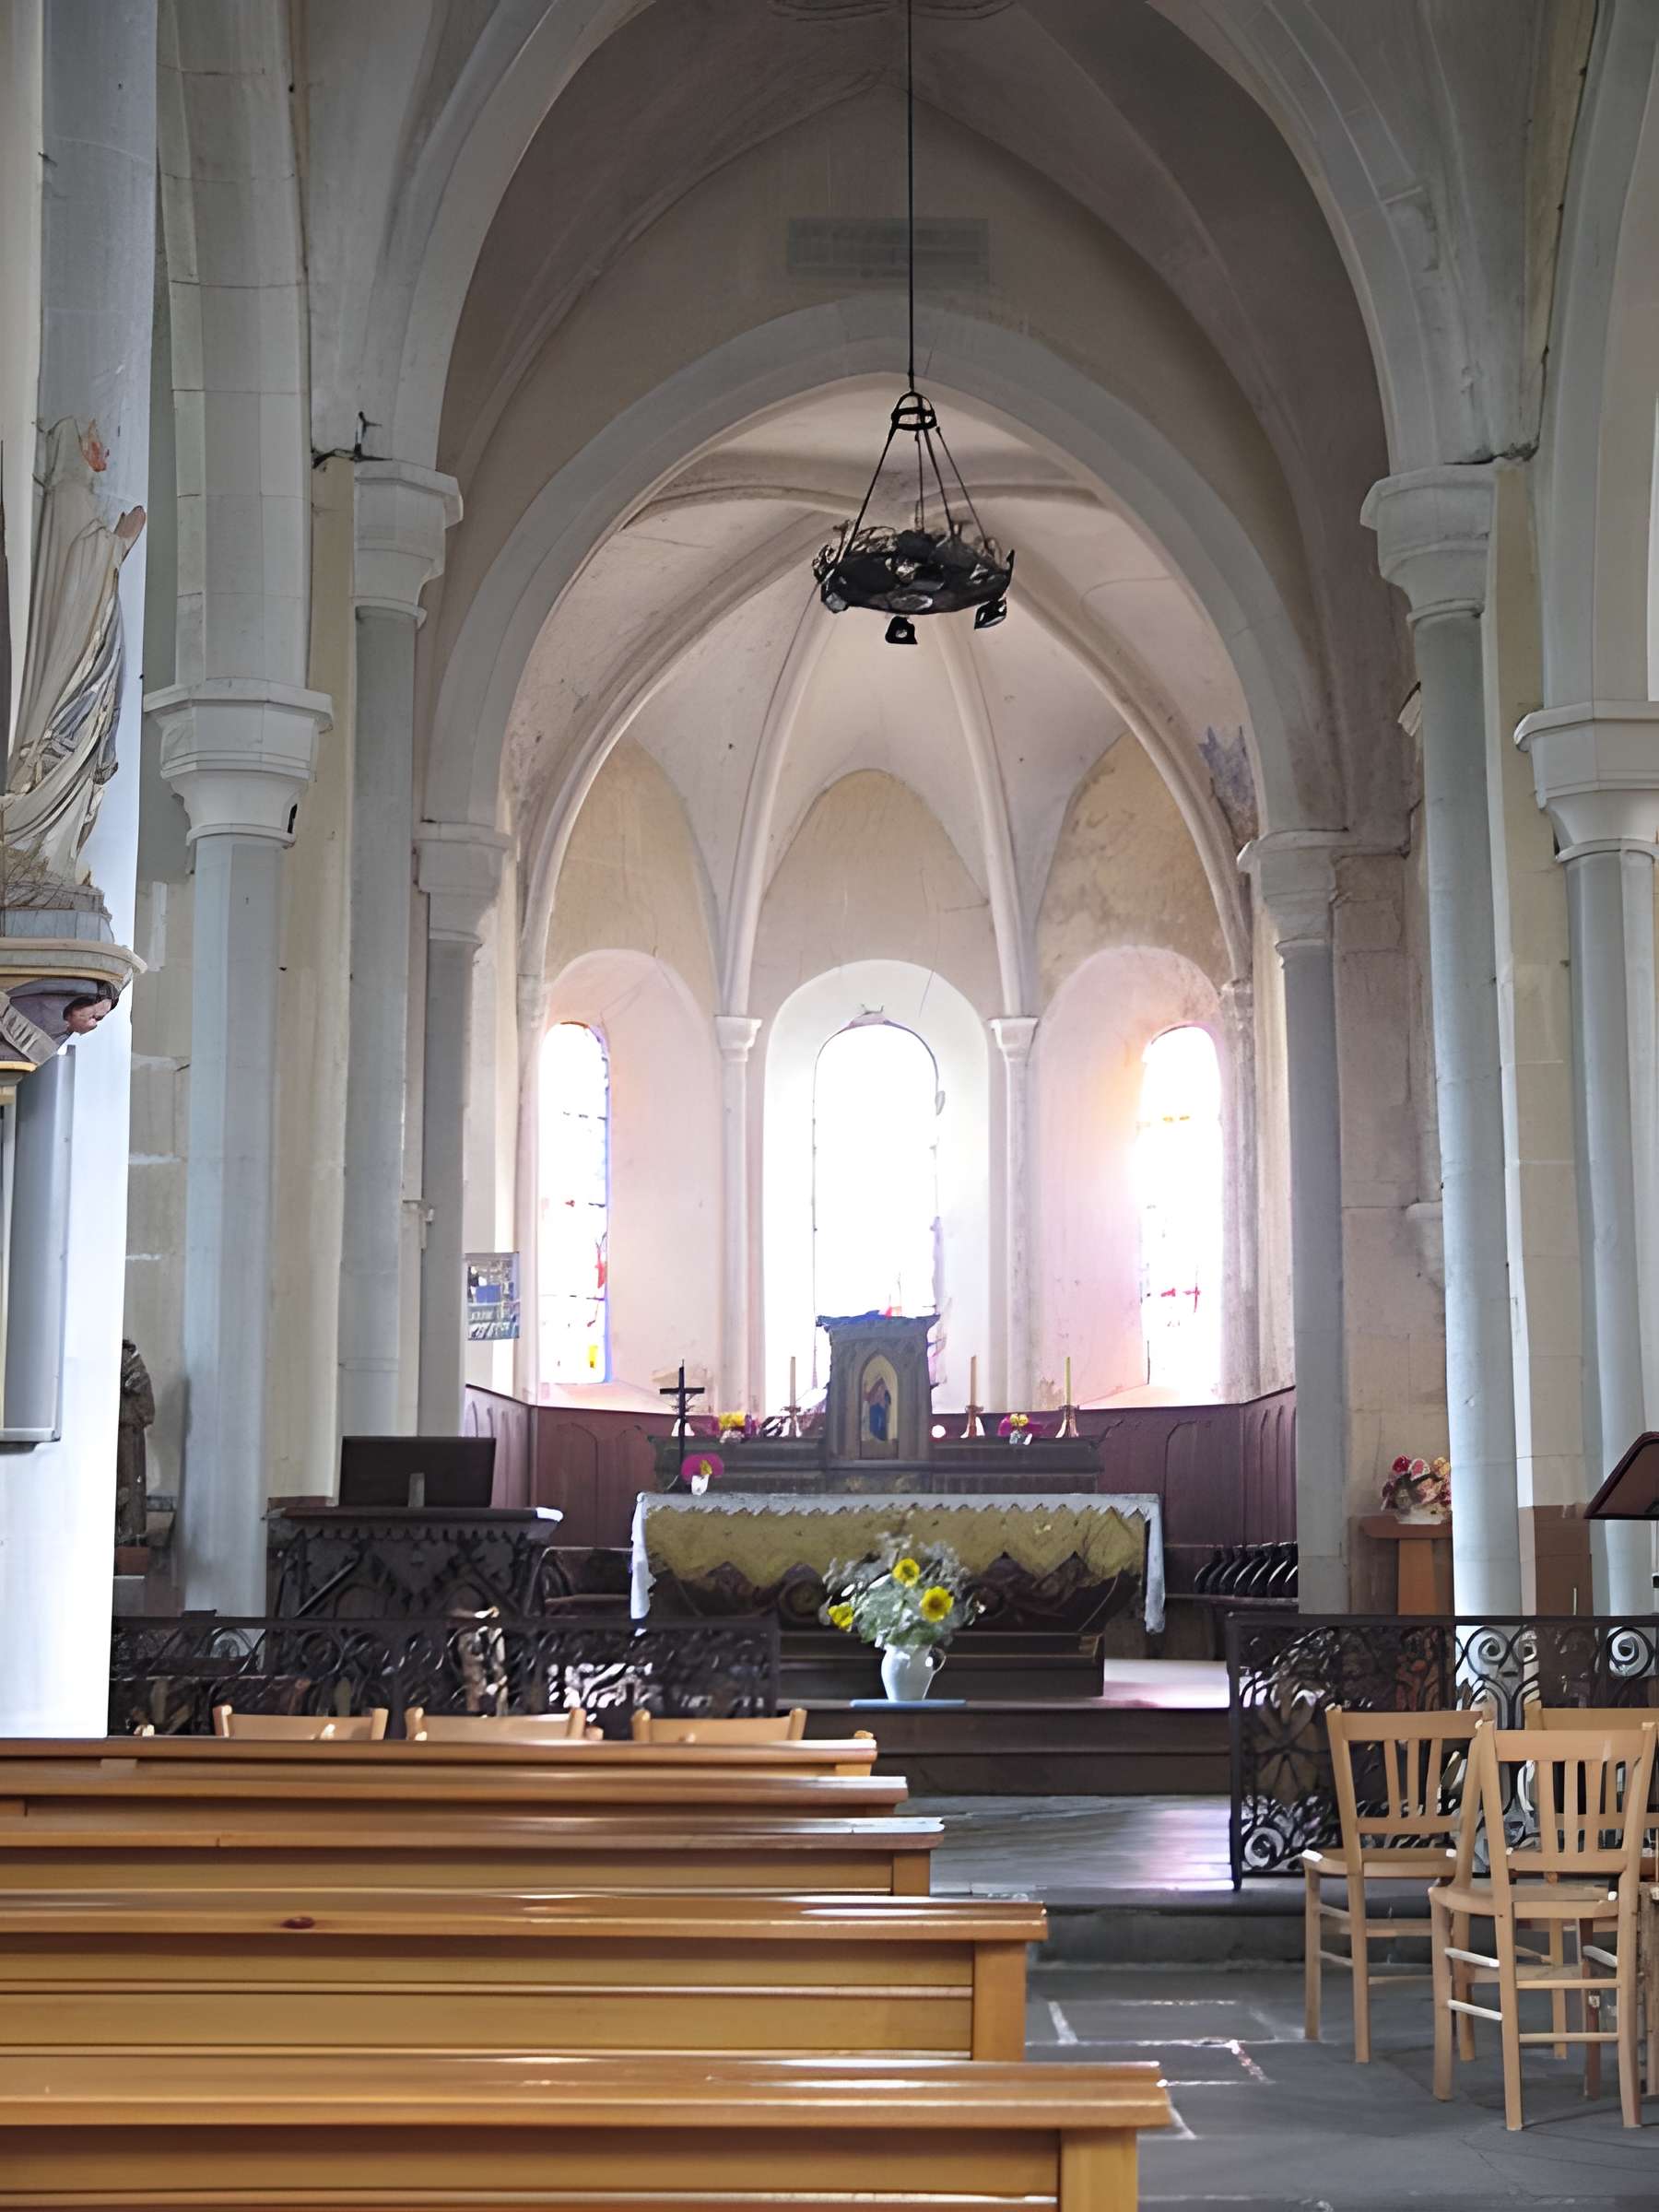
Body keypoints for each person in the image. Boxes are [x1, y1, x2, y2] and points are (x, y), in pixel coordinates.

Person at [115, 1338, 155, 1550]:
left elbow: (146, 1411)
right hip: (119, 1435)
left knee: (129, 1493)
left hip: (127, 1435)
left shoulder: (126, 1358)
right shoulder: (122, 1357)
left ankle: (127, 1538)